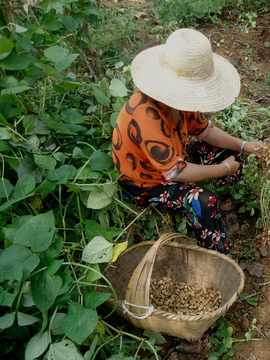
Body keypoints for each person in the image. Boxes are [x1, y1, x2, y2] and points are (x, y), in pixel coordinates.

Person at [112, 28, 262, 255]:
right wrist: (223, 170)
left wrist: (242, 145)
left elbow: (205, 131)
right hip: (145, 184)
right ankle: (216, 253)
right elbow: (175, 172)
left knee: (227, 151)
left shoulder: (180, 103)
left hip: (173, 160)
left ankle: (227, 205)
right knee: (203, 200)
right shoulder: (146, 113)